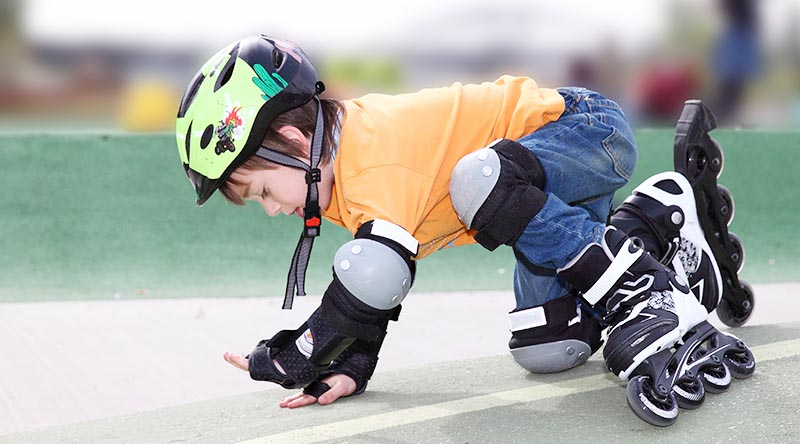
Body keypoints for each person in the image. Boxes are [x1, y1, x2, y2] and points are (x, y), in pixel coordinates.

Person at [175, 35, 753, 422]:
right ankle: (657, 225)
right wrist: (351, 365)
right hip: (545, 189)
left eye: (262, 191)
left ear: (294, 142)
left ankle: (645, 295)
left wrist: (294, 356)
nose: (271, 209)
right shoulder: (346, 187)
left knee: (479, 180)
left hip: (585, 129)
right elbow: (381, 278)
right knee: (549, 345)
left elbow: (371, 276)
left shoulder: (371, 153)